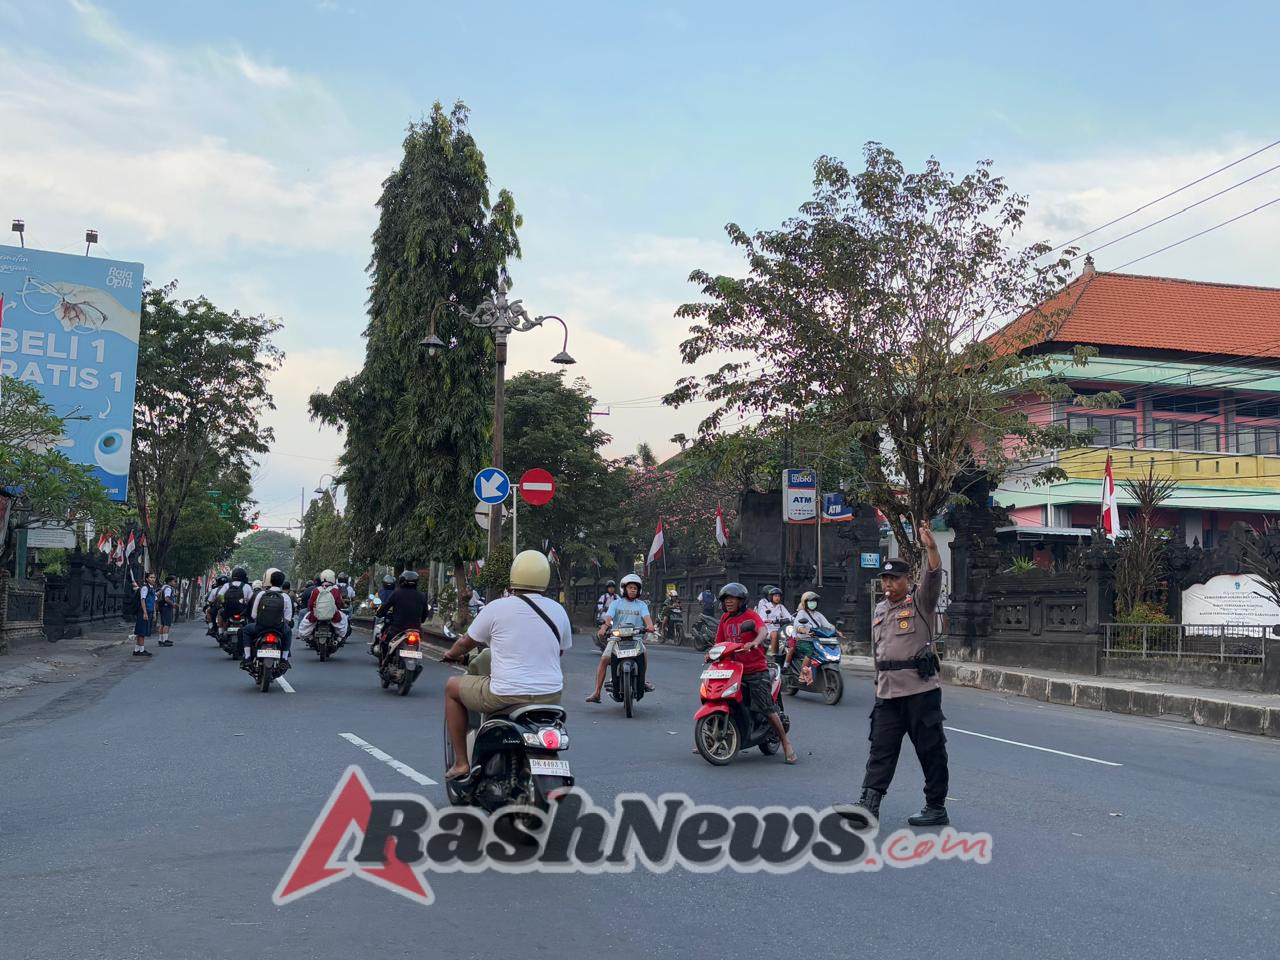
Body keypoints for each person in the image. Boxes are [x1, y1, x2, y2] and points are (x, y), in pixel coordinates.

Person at [440, 551, 572, 781]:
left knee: (452, 687)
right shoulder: (558, 611)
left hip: (506, 694)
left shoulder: (496, 608)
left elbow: (466, 643)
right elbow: (559, 651)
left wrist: (450, 654)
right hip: (551, 695)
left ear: (513, 576)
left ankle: (461, 763)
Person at [854, 524, 949, 827]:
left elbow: (933, 575)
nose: (889, 584)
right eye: (885, 578)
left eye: (895, 578)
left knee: (931, 751)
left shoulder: (921, 602)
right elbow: (878, 651)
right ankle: (868, 807)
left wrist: (931, 548)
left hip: (920, 692)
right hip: (887, 693)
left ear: (908, 580)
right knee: (880, 750)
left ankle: (935, 806)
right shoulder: (880, 609)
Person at [712, 582, 796, 764]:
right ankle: (711, 735)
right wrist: (711, 654)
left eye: (732, 598)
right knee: (717, 696)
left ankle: (785, 742)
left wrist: (755, 642)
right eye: (726, 599)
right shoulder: (725, 619)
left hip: (755, 669)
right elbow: (718, 642)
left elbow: (763, 631)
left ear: (741, 600)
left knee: (766, 707)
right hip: (732, 670)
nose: (729, 602)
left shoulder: (751, 616)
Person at [587, 572, 656, 702]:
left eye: (635, 588)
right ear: (624, 589)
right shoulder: (616, 603)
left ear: (638, 590)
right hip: (616, 639)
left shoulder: (642, 605)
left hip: (635, 639)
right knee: (604, 660)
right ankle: (597, 692)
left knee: (644, 655)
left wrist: (650, 626)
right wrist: (603, 628)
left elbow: (647, 619)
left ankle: (642, 679)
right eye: (630, 588)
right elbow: (608, 618)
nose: (633, 590)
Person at [241, 569, 293, 672]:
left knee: (246, 630)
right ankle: (284, 659)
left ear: (269, 581)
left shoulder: (261, 594)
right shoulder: (285, 597)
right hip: (279, 628)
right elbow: (288, 618)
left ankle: (247, 657)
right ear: (282, 583)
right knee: (288, 632)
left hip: (261, 627)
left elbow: (253, 615)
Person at [374, 570, 429, 662]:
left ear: (401, 581)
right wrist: (421, 621)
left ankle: (383, 663)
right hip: (416, 629)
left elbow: (385, 606)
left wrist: (380, 613)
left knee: (384, 642)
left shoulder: (397, 593)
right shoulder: (422, 595)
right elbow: (425, 613)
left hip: (397, 629)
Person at [784, 590, 844, 675]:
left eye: (814, 601)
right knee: (810, 652)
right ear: (805, 602)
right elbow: (797, 625)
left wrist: (837, 631)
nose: (813, 603)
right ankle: (803, 675)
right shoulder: (802, 613)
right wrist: (804, 630)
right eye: (810, 601)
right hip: (803, 640)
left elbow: (827, 625)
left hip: (816, 640)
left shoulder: (818, 614)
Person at [296, 569, 346, 644]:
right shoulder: (335, 590)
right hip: (333, 615)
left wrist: (312, 611)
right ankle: (339, 638)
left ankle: (310, 638)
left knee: (304, 624)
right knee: (344, 618)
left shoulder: (316, 590)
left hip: (316, 615)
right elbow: (339, 604)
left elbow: (310, 604)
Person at [756, 585, 792, 663]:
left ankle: (787, 663)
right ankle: (771, 656)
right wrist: (771, 621)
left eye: (778, 596)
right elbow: (761, 619)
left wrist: (790, 619)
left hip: (781, 629)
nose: (777, 598)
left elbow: (790, 617)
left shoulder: (781, 607)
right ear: (771, 597)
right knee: (775, 634)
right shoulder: (765, 606)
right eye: (775, 596)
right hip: (768, 630)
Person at [216, 568, 254, 632]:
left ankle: (220, 632)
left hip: (228, 610)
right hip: (242, 611)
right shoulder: (247, 586)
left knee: (220, 613)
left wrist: (224, 603)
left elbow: (219, 596)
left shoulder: (227, 585)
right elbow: (251, 599)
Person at [133, 573, 157, 657]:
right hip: (144, 612)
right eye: (151, 577)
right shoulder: (145, 588)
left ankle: (137, 649)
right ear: (147, 579)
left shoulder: (152, 589)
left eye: (154, 577)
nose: (153, 579)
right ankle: (141, 650)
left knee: (143, 631)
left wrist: (154, 613)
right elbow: (142, 600)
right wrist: (145, 612)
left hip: (150, 612)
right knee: (142, 631)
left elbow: (154, 602)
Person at [157, 575, 178, 646]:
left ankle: (161, 639)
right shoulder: (168, 588)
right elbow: (166, 598)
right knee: (167, 624)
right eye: (174, 581)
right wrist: (173, 604)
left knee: (162, 624)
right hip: (167, 607)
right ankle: (165, 640)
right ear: (170, 581)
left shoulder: (164, 587)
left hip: (162, 607)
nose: (175, 583)